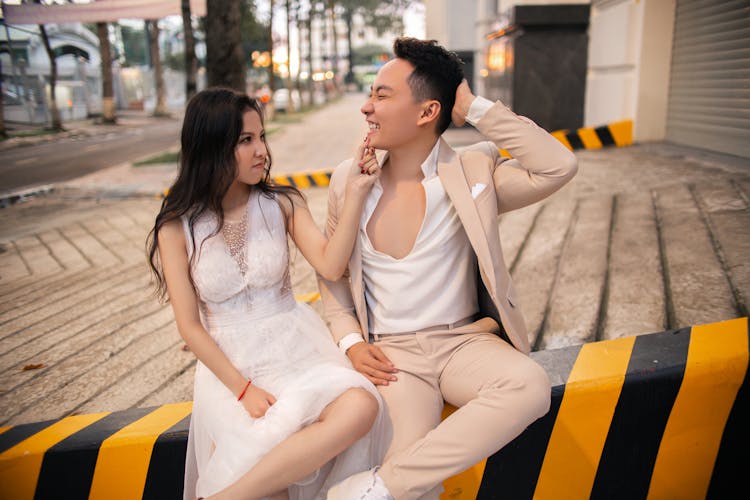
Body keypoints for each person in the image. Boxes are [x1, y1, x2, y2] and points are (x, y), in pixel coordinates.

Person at [319, 38, 578, 499]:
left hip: (463, 342)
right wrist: (351, 343)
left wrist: (474, 106)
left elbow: (557, 167)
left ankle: (375, 489)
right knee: (409, 464)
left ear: (426, 112)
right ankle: (386, 485)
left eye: (381, 95)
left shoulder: (474, 172)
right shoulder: (349, 178)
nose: (366, 107)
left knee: (530, 386)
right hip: (393, 356)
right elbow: (332, 278)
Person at [147, 87, 388, 500]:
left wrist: (355, 195)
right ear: (212, 146)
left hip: (296, 348)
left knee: (361, 407)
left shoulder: (282, 204)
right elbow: (189, 327)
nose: (260, 150)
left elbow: (331, 264)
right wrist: (243, 390)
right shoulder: (177, 225)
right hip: (232, 369)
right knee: (268, 482)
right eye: (245, 140)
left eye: (261, 137)